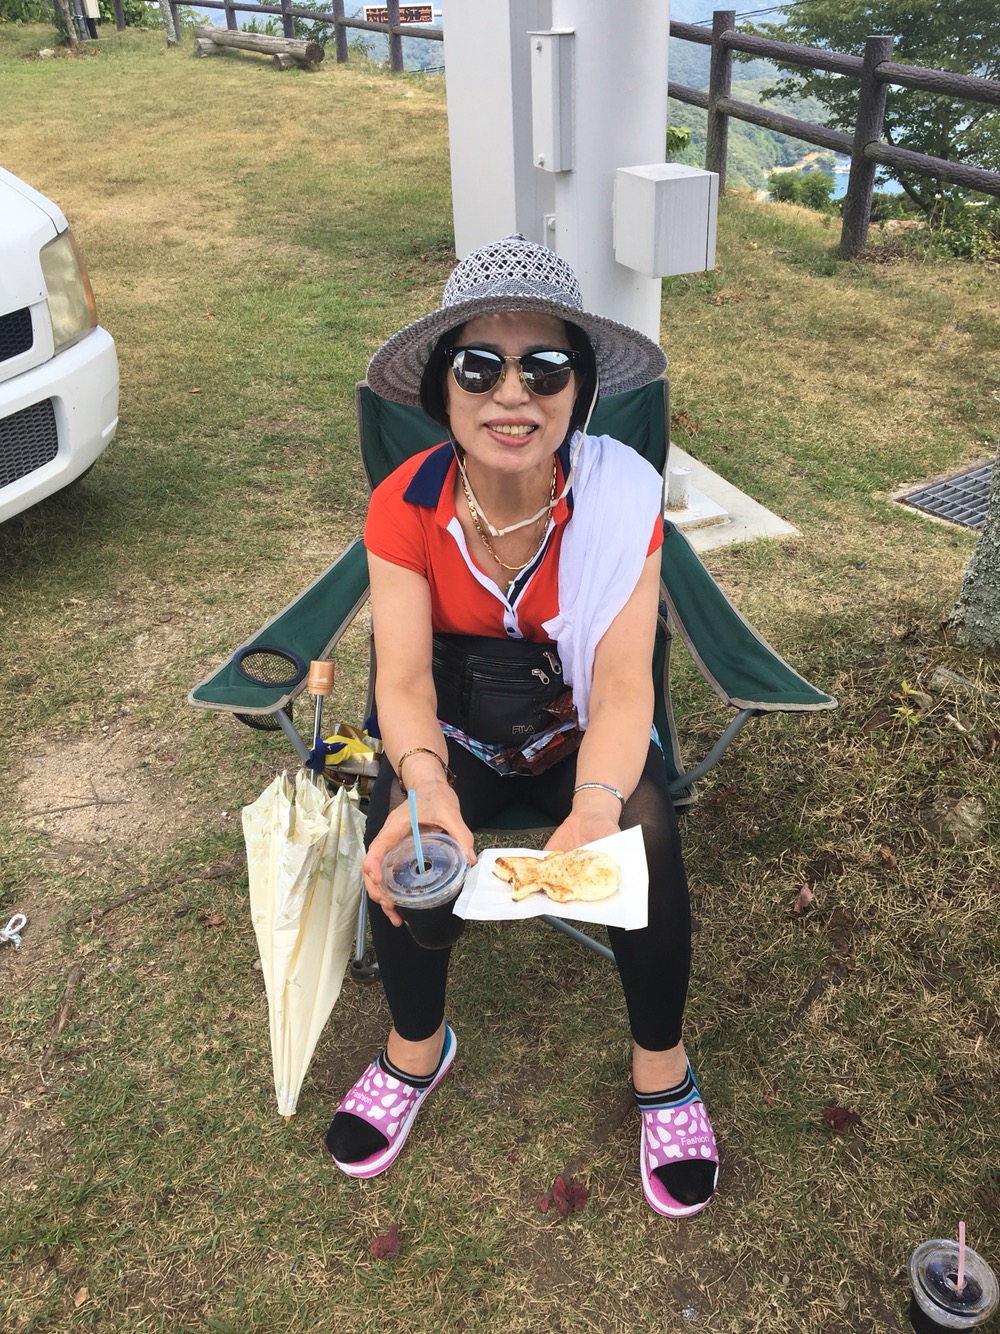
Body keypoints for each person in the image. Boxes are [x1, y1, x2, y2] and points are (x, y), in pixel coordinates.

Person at [324, 234, 718, 1218]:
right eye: (480, 367)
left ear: (579, 389)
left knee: (645, 826)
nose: (513, 394)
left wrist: (595, 807)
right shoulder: (403, 506)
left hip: (575, 733)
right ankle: (417, 1047)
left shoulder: (620, 499)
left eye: (545, 367)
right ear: (442, 387)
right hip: (453, 735)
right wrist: (427, 787)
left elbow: (623, 684)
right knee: (403, 833)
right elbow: (401, 678)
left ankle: (662, 1067)